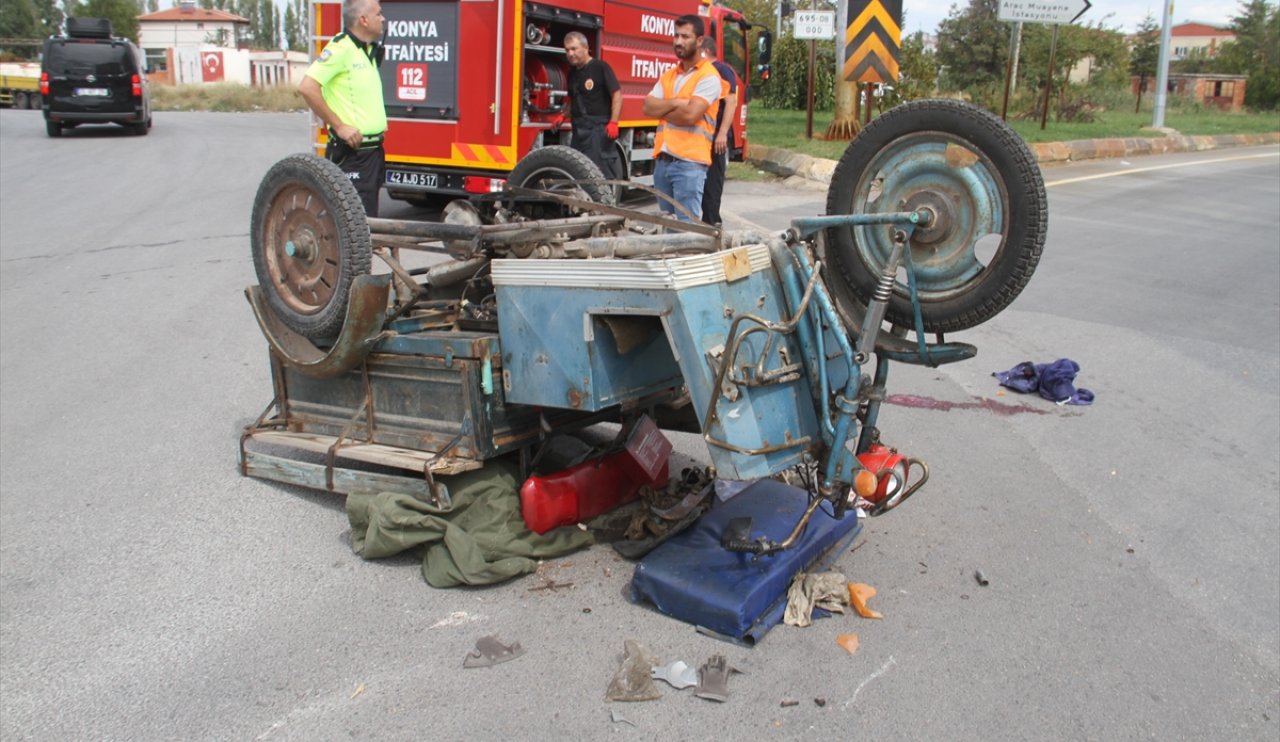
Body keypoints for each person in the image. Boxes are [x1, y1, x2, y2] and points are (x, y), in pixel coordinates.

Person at [298, 0, 387, 216]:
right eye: (378, 13)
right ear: (363, 20)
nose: (383, 18)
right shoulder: (341, 48)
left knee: (368, 224)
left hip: (372, 153)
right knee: (351, 226)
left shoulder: (367, 51)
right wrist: (339, 126)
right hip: (352, 154)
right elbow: (307, 87)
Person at [642, 14, 722, 223]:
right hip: (663, 161)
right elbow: (648, 107)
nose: (678, 41)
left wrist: (664, 108)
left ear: (699, 41)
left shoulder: (708, 76)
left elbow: (690, 115)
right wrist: (677, 103)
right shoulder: (670, 75)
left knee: (687, 231)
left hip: (689, 164)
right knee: (667, 226)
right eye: (676, 36)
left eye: (685, 36)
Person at [559, 31, 623, 180]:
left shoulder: (600, 67)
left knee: (601, 173)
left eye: (574, 49)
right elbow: (573, 99)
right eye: (567, 50)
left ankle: (606, 202)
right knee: (579, 172)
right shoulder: (572, 73)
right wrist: (563, 115)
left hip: (598, 130)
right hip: (579, 130)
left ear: (585, 48)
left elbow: (617, 94)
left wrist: (613, 122)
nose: (570, 53)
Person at [698, 37, 738, 227]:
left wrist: (722, 132)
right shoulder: (699, 72)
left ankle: (712, 224)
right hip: (701, 138)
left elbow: (731, 102)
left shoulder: (722, 71)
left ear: (705, 51)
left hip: (716, 139)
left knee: (712, 186)